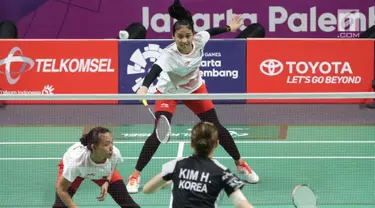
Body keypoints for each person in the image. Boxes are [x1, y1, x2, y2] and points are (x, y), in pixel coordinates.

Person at [126, 0, 259, 194]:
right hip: (169, 92)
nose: (184, 40)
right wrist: (144, 87)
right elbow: (154, 71)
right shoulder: (168, 55)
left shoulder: (200, 39)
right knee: (158, 133)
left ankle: (240, 164)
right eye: (180, 37)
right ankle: (135, 175)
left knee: (217, 127)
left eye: (187, 36)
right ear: (173, 36)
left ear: (193, 35)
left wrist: (230, 27)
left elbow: (212, 32)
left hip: (195, 89)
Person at [143, 121, 254, 208]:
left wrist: (165, 183)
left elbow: (146, 189)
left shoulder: (175, 165)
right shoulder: (223, 173)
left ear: (191, 143)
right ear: (217, 144)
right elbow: (242, 203)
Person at [53, 127, 140, 208]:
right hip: (77, 171)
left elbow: (113, 166)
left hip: (101, 172)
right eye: (106, 144)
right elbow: (61, 189)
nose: (111, 148)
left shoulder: (114, 154)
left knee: (128, 202)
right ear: (94, 147)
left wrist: (107, 181)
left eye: (112, 142)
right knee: (60, 206)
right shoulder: (76, 161)